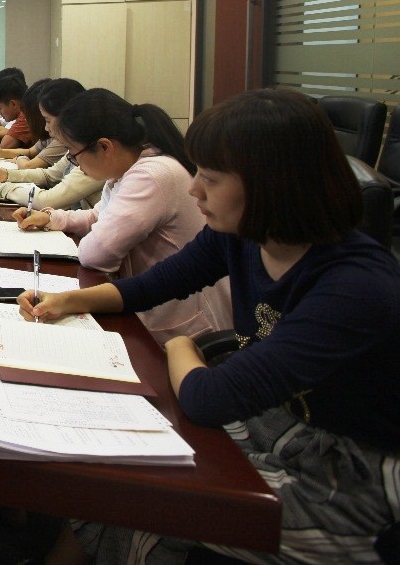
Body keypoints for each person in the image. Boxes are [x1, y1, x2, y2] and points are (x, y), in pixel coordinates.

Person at [21, 88, 400, 564]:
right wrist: (68, 300)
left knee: (143, 500)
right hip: (276, 420)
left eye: (212, 178)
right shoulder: (244, 235)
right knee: (117, 470)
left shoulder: (354, 286)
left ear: (272, 185)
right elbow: (153, 285)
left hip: (355, 471)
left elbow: (208, 398)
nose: (194, 189)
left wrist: (182, 344)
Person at [13, 88, 230, 344]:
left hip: (183, 330)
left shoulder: (151, 175)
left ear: (104, 146)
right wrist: (53, 219)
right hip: (148, 306)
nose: (75, 163)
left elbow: (95, 253)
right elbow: (100, 216)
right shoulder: (128, 169)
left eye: (74, 153)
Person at [0, 78, 103, 210]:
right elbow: (49, 176)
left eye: (47, 120)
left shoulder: (93, 155)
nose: (46, 128)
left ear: (68, 117)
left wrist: (2, 189)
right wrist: (7, 175)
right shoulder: (76, 147)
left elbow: (48, 200)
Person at [0, 78, 60, 165]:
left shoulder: (60, 140)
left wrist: (18, 158)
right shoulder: (48, 136)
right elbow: (30, 152)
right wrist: (1, 153)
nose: (27, 121)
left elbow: (29, 166)